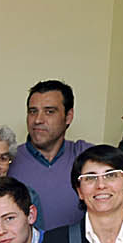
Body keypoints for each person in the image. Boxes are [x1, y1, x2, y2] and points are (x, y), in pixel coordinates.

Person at [9, 80, 92, 230]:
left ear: (68, 116)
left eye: (49, 111)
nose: (38, 120)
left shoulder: (85, 156)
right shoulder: (8, 160)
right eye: (33, 111)